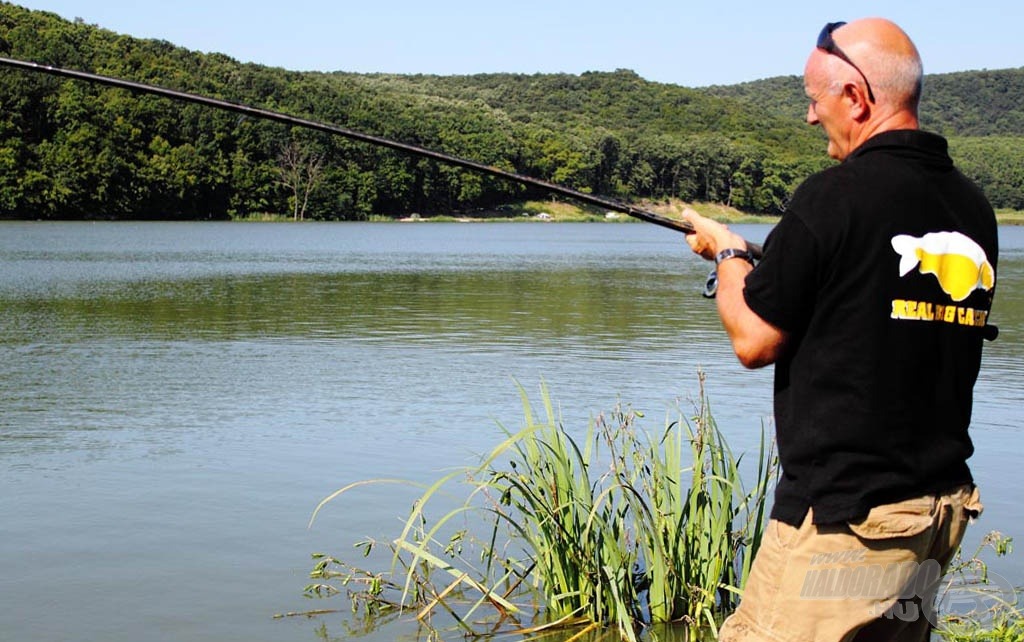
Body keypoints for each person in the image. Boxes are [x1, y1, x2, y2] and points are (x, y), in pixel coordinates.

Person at [682, 18, 998, 642]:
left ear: (855, 96)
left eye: (813, 98)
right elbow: (865, 292)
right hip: (934, 516)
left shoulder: (835, 196)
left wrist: (726, 256)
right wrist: (756, 254)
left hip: (848, 523)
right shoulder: (971, 208)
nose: (808, 116)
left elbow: (754, 339)